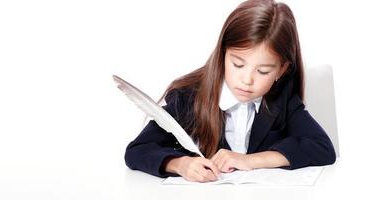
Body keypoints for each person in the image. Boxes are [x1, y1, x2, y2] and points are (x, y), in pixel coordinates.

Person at [124, 0, 336, 183]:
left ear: (281, 70)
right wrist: (180, 164)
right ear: (223, 55)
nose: (247, 79)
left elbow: (322, 148)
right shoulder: (189, 98)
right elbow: (137, 150)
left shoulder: (282, 99)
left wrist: (249, 160)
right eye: (238, 64)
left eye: (262, 71)